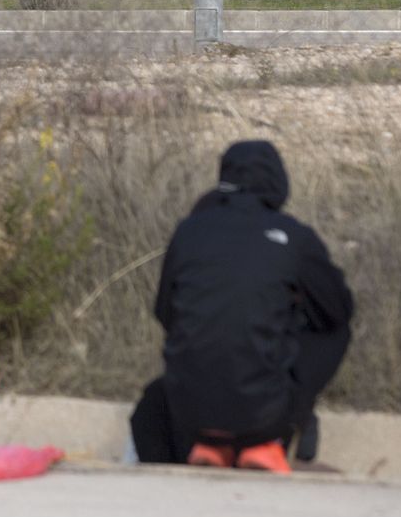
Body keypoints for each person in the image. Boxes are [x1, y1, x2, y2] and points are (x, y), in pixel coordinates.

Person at [130, 141, 353, 473]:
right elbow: (339, 309)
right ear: (279, 182)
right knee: (336, 330)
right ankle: (269, 441)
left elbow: (165, 313)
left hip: (188, 412)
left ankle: (210, 446)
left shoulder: (188, 231)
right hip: (265, 416)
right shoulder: (293, 237)